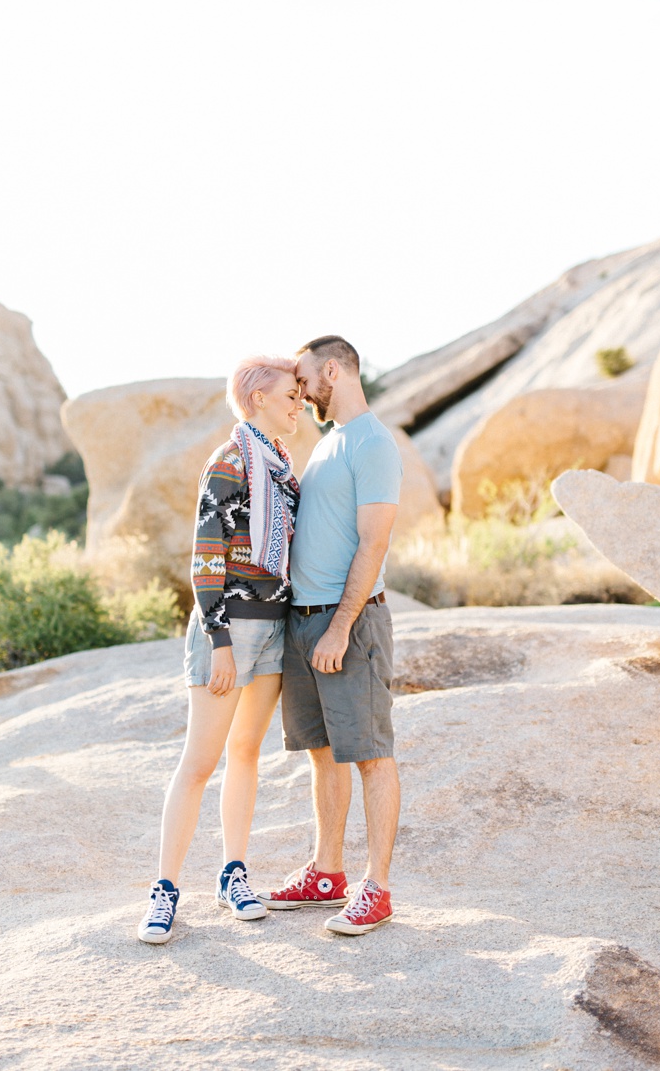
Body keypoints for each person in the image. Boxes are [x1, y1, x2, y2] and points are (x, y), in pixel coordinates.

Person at [138, 356, 304, 944]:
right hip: (231, 629)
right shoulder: (230, 461)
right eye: (290, 394)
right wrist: (220, 643)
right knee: (199, 764)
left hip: (274, 628)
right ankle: (164, 891)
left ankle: (233, 872)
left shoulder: (280, 463)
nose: (300, 403)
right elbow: (206, 557)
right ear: (257, 397)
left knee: (247, 755)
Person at [257, 335, 403, 936]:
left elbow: (375, 542)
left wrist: (341, 627)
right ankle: (328, 873)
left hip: (348, 622)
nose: (300, 388)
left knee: (370, 755)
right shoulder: (326, 445)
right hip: (303, 621)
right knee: (322, 753)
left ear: (334, 370)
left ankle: (378, 889)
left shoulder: (372, 442)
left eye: (306, 376)